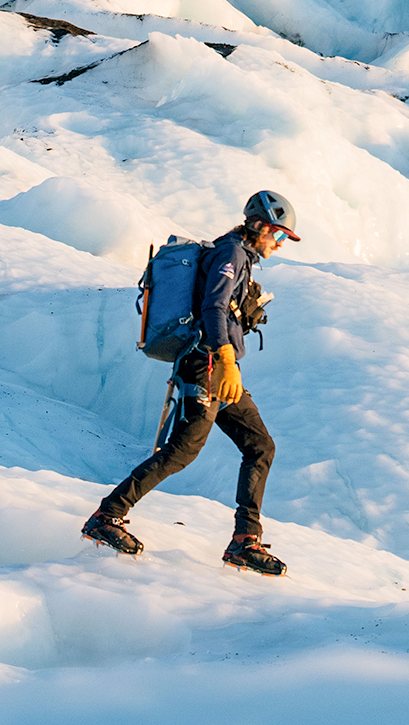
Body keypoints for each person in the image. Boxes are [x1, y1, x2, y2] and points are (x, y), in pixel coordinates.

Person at [82, 190, 301, 576]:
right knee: (183, 450)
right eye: (279, 235)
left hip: (219, 367)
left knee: (260, 445)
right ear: (259, 226)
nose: (281, 244)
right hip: (208, 364)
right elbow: (213, 307)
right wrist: (228, 359)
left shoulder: (238, 255)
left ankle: (244, 541)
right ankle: (107, 515)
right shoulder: (231, 254)